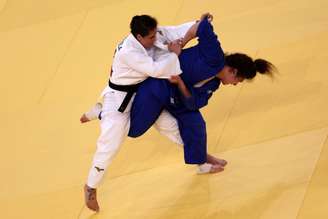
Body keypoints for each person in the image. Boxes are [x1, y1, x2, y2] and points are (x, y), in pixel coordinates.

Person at [82, 14, 219, 212]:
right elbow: (156, 70)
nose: (155, 39)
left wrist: (200, 24)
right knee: (109, 145)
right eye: (150, 37)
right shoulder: (129, 52)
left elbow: (174, 31)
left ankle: (201, 159)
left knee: (172, 127)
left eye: (155, 34)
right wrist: (175, 53)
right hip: (118, 100)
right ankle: (90, 187)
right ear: (139, 36)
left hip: (143, 93)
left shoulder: (153, 34)